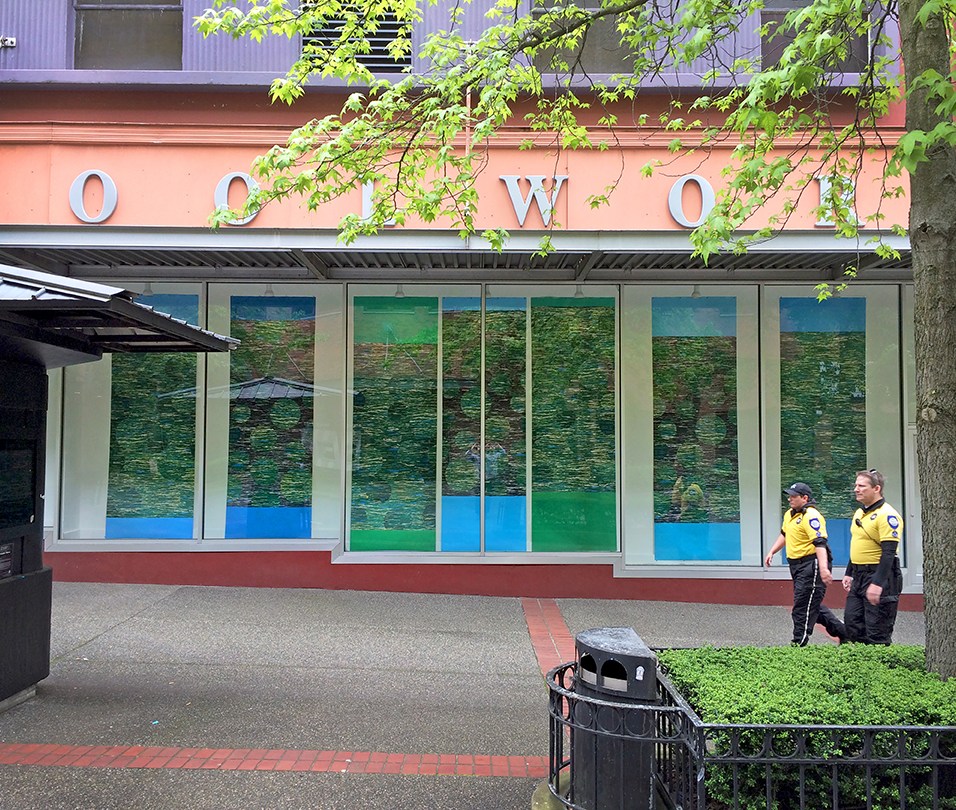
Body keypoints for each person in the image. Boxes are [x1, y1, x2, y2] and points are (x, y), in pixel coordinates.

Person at [764, 482, 846, 645]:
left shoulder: (811, 516)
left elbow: (820, 543)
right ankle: (845, 633)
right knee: (810, 603)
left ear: (805, 498)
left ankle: (798, 643)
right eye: (789, 496)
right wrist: (772, 551)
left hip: (811, 564)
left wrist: (823, 568)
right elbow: (785, 534)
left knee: (801, 608)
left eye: (794, 496)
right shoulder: (790, 514)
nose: (789, 499)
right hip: (796, 565)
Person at [842, 469, 904, 644]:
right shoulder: (860, 513)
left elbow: (889, 553)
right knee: (852, 623)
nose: (856, 489)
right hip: (859, 575)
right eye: (856, 485)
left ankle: (880, 660)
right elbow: (859, 543)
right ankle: (862, 660)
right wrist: (849, 572)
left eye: (862, 486)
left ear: (876, 488)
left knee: (877, 631)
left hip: (880, 575)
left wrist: (877, 584)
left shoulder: (887, 515)